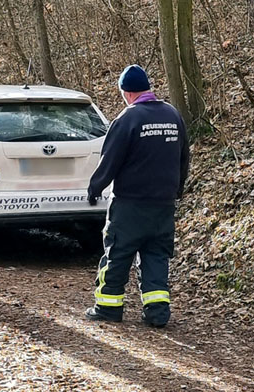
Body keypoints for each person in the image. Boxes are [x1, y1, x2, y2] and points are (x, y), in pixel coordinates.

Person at [85, 65, 190, 327]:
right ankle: (157, 313)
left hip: (130, 204)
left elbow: (110, 159)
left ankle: (108, 307)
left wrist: (95, 188)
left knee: (118, 253)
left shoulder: (127, 119)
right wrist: (177, 189)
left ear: (126, 92)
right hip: (163, 205)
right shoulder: (173, 115)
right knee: (156, 256)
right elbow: (183, 157)